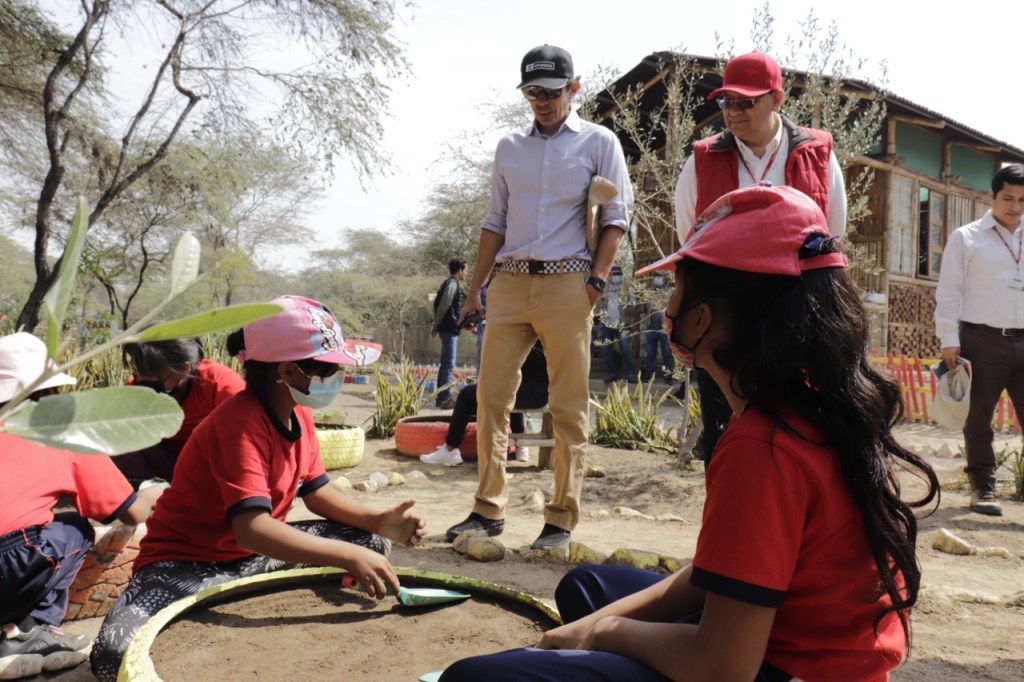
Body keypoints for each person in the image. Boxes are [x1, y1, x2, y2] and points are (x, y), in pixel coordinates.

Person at [440, 184, 939, 682]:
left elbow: (723, 667)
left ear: (701, 320)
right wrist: (596, 622)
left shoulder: (762, 448)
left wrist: (602, 634)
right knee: (586, 587)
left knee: (475, 678)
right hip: (802, 645)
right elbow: (714, 575)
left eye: (677, 287)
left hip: (783, 669)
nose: (670, 305)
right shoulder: (816, 404)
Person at [89, 295, 424, 681]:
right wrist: (346, 557)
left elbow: (316, 493)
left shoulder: (299, 414)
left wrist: (379, 521)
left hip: (252, 558)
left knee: (370, 545)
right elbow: (251, 528)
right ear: (290, 371)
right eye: (330, 369)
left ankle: (240, 587)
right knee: (113, 654)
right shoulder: (239, 424)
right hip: (188, 564)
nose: (337, 378)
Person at [448, 44, 633, 550]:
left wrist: (595, 282)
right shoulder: (510, 147)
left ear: (574, 89)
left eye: (552, 92)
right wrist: (474, 292)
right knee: (489, 400)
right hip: (507, 285)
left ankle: (560, 520)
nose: (542, 102)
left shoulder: (600, 142)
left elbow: (616, 218)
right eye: (533, 92)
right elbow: (494, 222)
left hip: (568, 284)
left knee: (569, 405)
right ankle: (488, 511)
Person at [673, 50, 848, 465]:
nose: (732, 113)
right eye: (726, 102)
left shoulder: (818, 155)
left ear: (777, 99)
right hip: (725, 317)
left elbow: (833, 234)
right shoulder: (701, 160)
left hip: (797, 312)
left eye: (745, 102)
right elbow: (688, 240)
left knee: (799, 428)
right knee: (725, 433)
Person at [0, 332, 160, 680]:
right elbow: (131, 513)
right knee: (73, 527)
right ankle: (37, 629)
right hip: (8, 563)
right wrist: (151, 494)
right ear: (49, 392)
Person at [935, 163, 1024, 516]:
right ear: (991, 195)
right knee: (978, 418)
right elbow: (949, 293)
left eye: (1022, 200)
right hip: (982, 340)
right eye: (1007, 198)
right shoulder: (966, 237)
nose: (1015, 207)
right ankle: (983, 488)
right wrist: (948, 338)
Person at [114, 335, 245, 486]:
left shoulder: (221, 386)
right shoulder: (134, 391)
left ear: (184, 369)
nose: (140, 381)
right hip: (171, 466)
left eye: (150, 375)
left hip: (214, 469)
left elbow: (243, 444)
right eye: (137, 373)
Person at [421, 342, 548, 466]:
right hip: (542, 396)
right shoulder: (549, 334)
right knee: (511, 390)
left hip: (514, 392)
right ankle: (521, 445)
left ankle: (450, 448)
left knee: (466, 394)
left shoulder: (515, 335)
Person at [433, 258, 468, 409]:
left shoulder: (448, 283)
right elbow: (445, 304)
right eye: (466, 270)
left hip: (446, 328)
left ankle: (442, 397)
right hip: (448, 329)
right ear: (460, 270)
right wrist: (437, 322)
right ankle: (445, 398)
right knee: (448, 365)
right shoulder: (452, 284)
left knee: (445, 364)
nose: (466, 273)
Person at [596, 264, 637, 383]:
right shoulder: (605, 287)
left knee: (625, 349)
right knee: (607, 350)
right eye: (614, 275)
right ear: (610, 275)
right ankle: (611, 373)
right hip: (606, 324)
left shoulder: (627, 286)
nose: (617, 277)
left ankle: (630, 374)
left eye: (619, 275)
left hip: (621, 324)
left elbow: (634, 303)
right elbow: (598, 304)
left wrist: (629, 308)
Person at [640, 266, 675, 384]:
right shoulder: (649, 291)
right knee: (650, 354)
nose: (657, 278)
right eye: (655, 276)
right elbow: (645, 309)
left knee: (667, 353)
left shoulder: (671, 291)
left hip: (665, 328)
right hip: (651, 328)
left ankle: (668, 378)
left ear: (665, 278)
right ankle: (648, 378)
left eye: (659, 276)